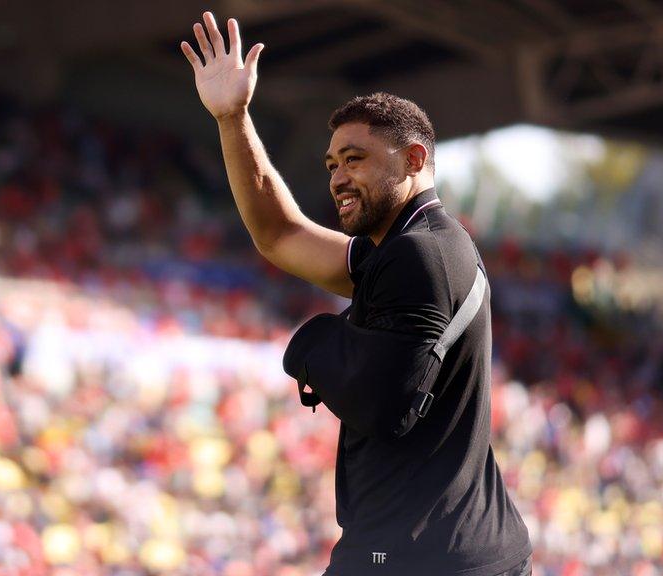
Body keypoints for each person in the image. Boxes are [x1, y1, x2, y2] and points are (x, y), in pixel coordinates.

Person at [181, 12, 533, 575]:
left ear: (414, 160)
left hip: (419, 559)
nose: (338, 178)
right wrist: (232, 118)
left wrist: (314, 344)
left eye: (356, 159)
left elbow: (382, 404)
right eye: (331, 164)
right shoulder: (411, 248)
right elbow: (280, 234)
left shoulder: (421, 255)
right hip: (445, 551)